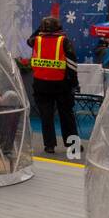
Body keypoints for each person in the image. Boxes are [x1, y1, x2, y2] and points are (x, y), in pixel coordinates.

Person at [28, 16, 79, 155]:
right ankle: (73, 146)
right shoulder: (64, 41)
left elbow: (30, 39)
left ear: (42, 28)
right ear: (59, 27)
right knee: (67, 116)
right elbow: (72, 65)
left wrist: (41, 28)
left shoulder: (35, 40)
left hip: (40, 85)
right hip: (62, 85)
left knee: (46, 116)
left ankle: (49, 146)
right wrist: (75, 83)